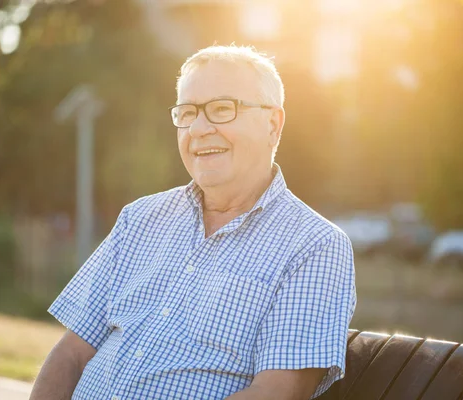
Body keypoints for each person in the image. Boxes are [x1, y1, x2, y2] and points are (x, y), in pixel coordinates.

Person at [30, 45, 357, 400]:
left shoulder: (315, 245)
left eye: (221, 109)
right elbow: (71, 354)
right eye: (187, 113)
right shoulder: (139, 218)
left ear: (272, 124)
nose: (198, 129)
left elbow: (277, 393)